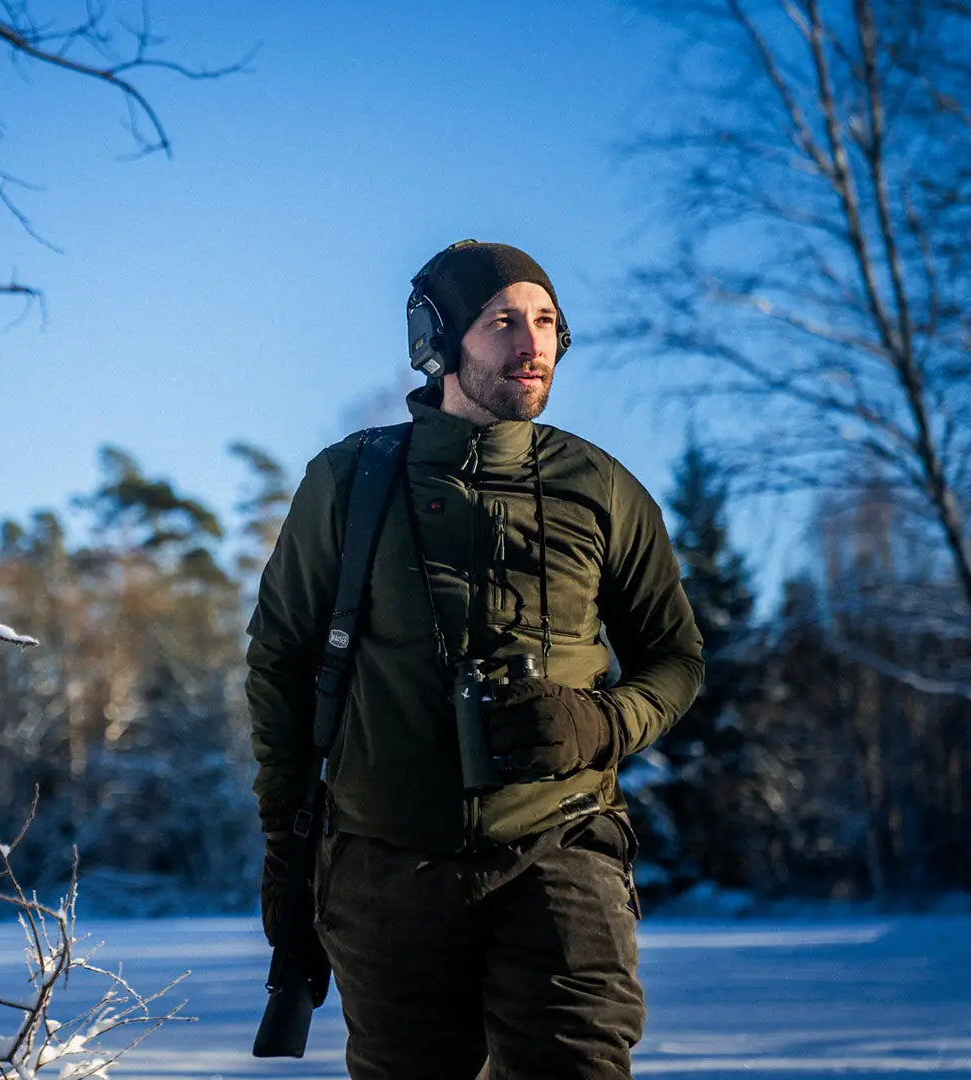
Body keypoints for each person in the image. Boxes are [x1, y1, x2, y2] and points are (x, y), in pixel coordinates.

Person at [246, 240, 704, 1080]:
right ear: (439, 338)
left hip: (560, 846)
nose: (531, 345)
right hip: (385, 868)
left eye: (545, 323)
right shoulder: (349, 481)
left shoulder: (602, 488)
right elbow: (278, 661)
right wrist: (287, 844)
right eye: (502, 322)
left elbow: (676, 660)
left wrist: (602, 723)